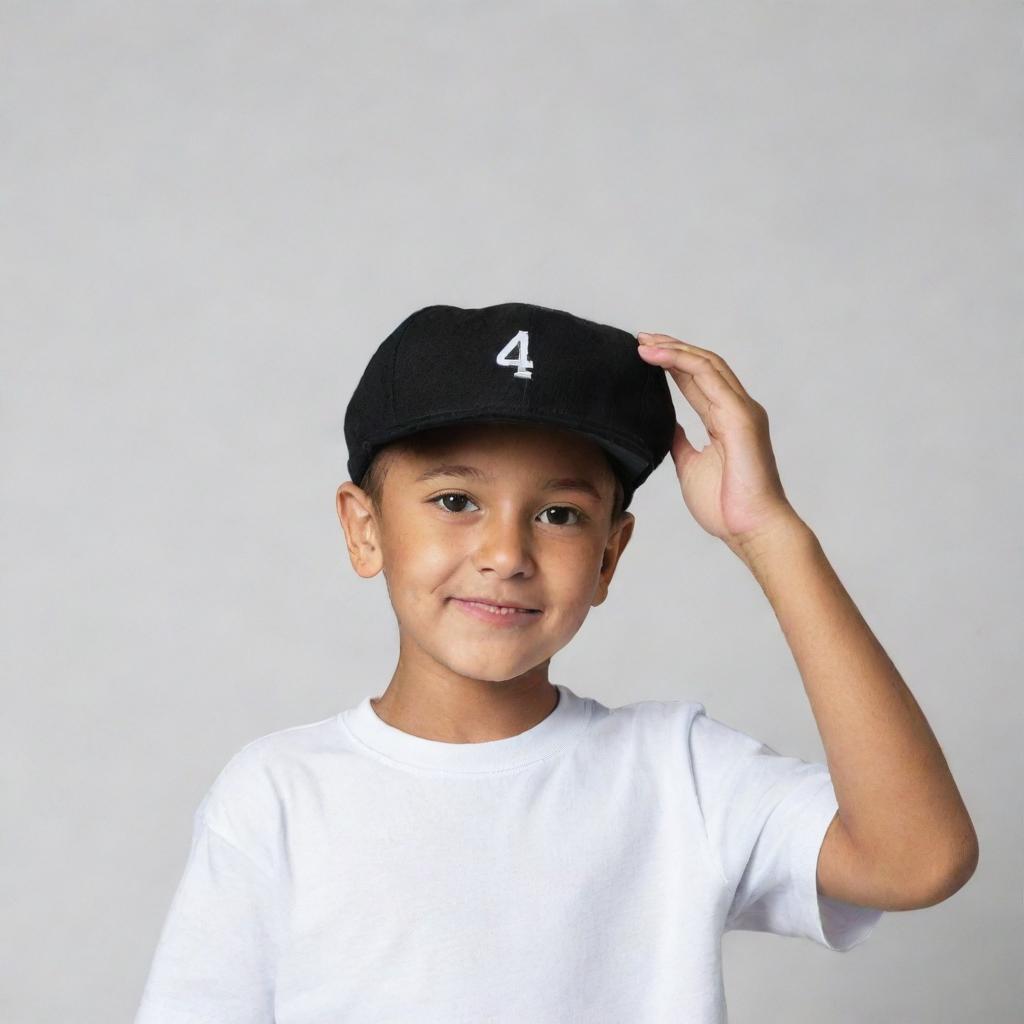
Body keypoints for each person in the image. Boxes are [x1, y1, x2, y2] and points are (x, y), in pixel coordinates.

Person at [133, 301, 978, 1023]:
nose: (506, 553)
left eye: (561, 516)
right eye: (455, 501)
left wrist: (770, 537)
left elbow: (917, 858)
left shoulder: (677, 775)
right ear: (364, 527)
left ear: (611, 556)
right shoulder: (280, 794)